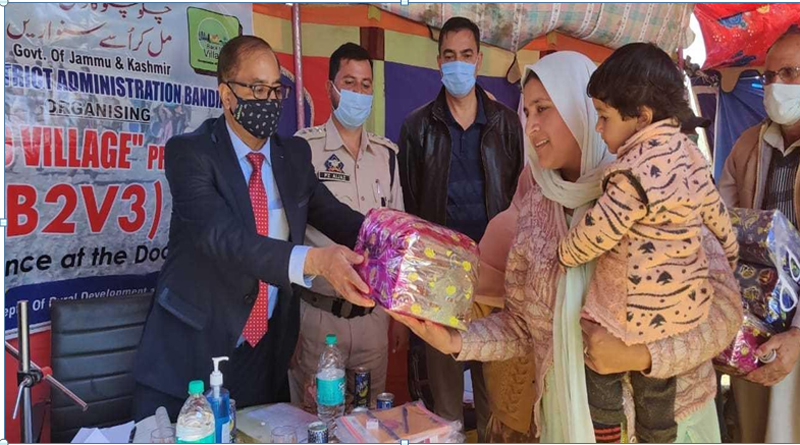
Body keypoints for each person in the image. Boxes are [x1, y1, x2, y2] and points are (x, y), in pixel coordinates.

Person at [391, 51, 743, 443]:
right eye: (527, 112)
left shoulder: (655, 181)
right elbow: (523, 327)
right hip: (566, 421)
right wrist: (457, 340)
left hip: (671, 423)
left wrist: (642, 357)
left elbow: (726, 310)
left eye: (543, 109)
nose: (531, 126)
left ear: (585, 109)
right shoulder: (536, 207)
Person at [132, 35, 373, 420]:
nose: (270, 100)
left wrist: (392, 238)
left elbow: (336, 216)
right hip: (191, 355)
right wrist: (316, 261)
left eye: (276, 90)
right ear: (227, 95)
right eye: (258, 89)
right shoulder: (191, 154)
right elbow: (224, 238)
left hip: (263, 355)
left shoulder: (293, 156)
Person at [554, 43, 739, 443]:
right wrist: (731, 252)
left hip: (627, 309)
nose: (598, 128)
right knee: (658, 386)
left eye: (604, 117)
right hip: (679, 312)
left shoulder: (633, 174)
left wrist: (565, 253)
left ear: (642, 117)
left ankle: (606, 429)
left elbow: (598, 231)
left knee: (596, 359)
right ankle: (658, 435)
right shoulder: (691, 156)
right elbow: (718, 217)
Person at [397, 16, 525, 439]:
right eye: (449, 56)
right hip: (441, 280)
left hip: (493, 275)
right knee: (447, 404)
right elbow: (412, 208)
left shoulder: (506, 124)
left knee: (495, 396)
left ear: (479, 60)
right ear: (438, 62)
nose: (458, 64)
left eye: (466, 55)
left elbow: (519, 198)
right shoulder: (417, 127)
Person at [289, 42, 408, 409]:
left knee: (370, 420)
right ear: (330, 88)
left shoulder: (387, 157)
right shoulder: (303, 150)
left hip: (373, 320)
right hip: (320, 318)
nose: (358, 93)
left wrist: (397, 319)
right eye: (349, 83)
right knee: (316, 420)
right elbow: (288, 234)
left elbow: (398, 240)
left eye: (365, 85)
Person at [718, 24, 800, 443]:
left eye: (789, 73)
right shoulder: (748, 144)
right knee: (756, 427)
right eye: (769, 76)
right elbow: (720, 225)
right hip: (756, 320)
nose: (775, 85)